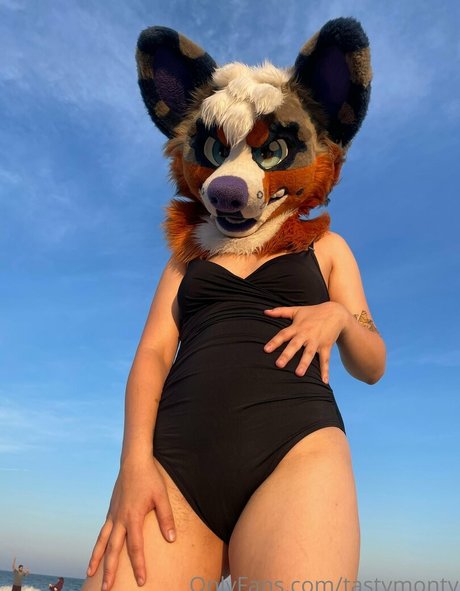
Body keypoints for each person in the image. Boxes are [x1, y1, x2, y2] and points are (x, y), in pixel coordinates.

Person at [82, 16, 386, 591]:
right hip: (174, 465)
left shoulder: (327, 248)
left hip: (296, 454)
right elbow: (152, 355)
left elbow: (372, 363)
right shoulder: (187, 257)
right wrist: (133, 465)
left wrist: (340, 317)